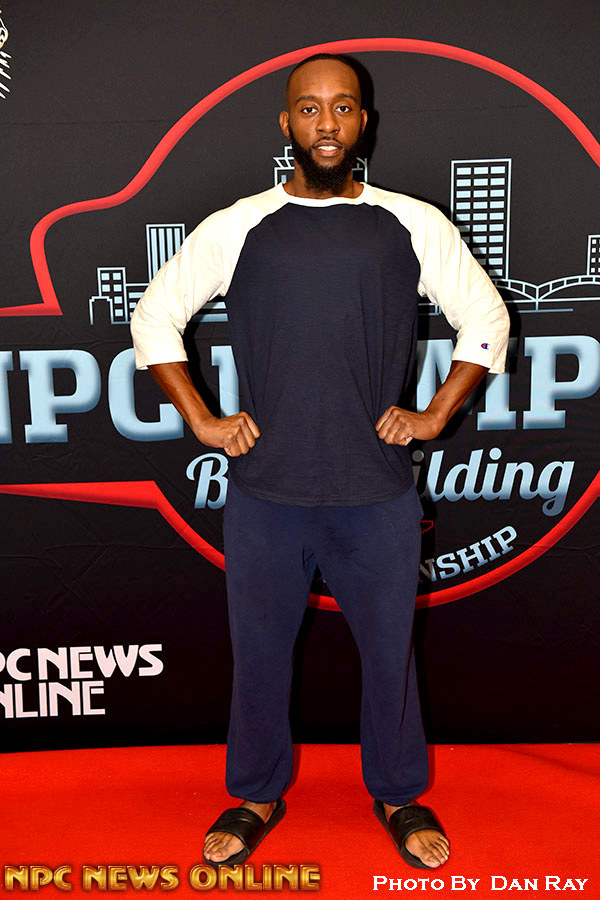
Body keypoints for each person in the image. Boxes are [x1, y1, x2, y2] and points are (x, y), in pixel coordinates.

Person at [130, 53, 510, 870]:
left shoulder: (411, 222)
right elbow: (155, 317)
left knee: (390, 657)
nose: (327, 122)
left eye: (343, 106)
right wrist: (202, 418)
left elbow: (485, 318)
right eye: (310, 108)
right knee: (260, 656)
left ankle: (399, 793)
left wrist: (436, 412)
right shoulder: (240, 225)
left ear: (364, 122)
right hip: (267, 493)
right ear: (287, 123)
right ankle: (256, 793)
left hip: (376, 493)